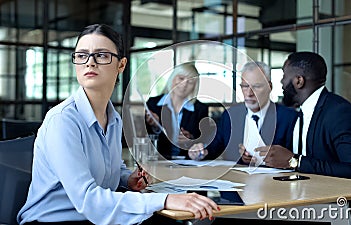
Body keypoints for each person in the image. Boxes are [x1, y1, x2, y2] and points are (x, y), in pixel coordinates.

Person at [17, 24, 218, 225]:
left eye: (102, 55)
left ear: (121, 65)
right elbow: (88, 198)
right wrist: (165, 199)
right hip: (55, 221)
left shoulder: (113, 118)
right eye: (81, 55)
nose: (90, 63)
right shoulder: (63, 120)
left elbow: (110, 166)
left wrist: (125, 178)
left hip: (94, 218)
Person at [257, 51, 351, 179]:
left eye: (284, 75)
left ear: (299, 81)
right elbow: (290, 157)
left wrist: (295, 161)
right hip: (297, 192)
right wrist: (268, 157)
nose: (282, 82)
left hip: (330, 197)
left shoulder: (340, 113)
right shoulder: (301, 113)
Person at [188, 61, 297, 163]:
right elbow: (214, 147)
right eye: (245, 86)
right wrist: (201, 151)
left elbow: (295, 158)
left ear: (270, 87)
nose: (249, 93)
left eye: (256, 86)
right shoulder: (230, 115)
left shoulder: (289, 118)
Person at [145, 62, 209, 159]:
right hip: (159, 160)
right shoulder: (153, 104)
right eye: (181, 78)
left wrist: (191, 139)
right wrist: (155, 126)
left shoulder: (200, 109)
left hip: (187, 162)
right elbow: (142, 137)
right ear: (173, 78)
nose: (184, 84)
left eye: (190, 82)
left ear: (194, 86)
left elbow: (205, 140)